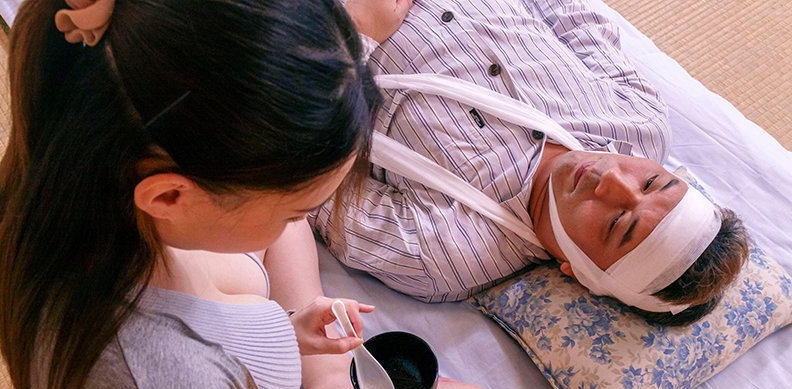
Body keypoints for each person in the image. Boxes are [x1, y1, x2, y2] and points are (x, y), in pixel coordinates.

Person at [0, 1, 511, 389]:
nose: (302, 219)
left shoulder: (63, 172)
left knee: (272, 238)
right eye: (298, 209)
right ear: (170, 196)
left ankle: (328, 387)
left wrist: (287, 330)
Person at [311, 0, 749, 326]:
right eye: (651, 182)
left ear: (579, 273)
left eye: (617, 223)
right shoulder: (640, 123)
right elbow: (571, 16)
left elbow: (296, 171)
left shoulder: (445, 254)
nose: (612, 179)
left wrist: (360, 33)